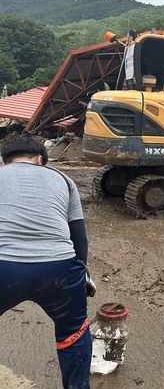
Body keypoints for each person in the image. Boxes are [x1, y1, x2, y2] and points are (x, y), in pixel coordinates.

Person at [0, 136, 94, 389]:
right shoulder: (63, 179)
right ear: (40, 160)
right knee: (74, 332)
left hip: (4, 267)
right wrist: (81, 273)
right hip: (59, 269)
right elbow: (79, 236)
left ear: (5, 161)